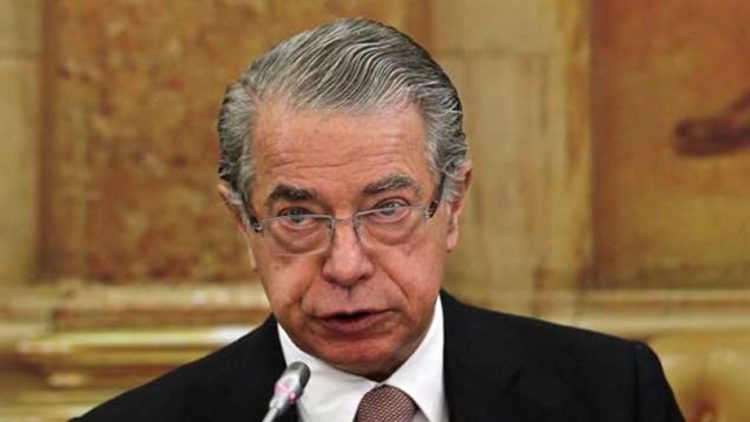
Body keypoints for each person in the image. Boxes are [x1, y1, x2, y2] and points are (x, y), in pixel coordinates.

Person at [76, 18, 684, 422]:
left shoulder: (611, 395)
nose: (346, 266)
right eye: (298, 216)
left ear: (452, 205)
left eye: (388, 209)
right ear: (243, 224)